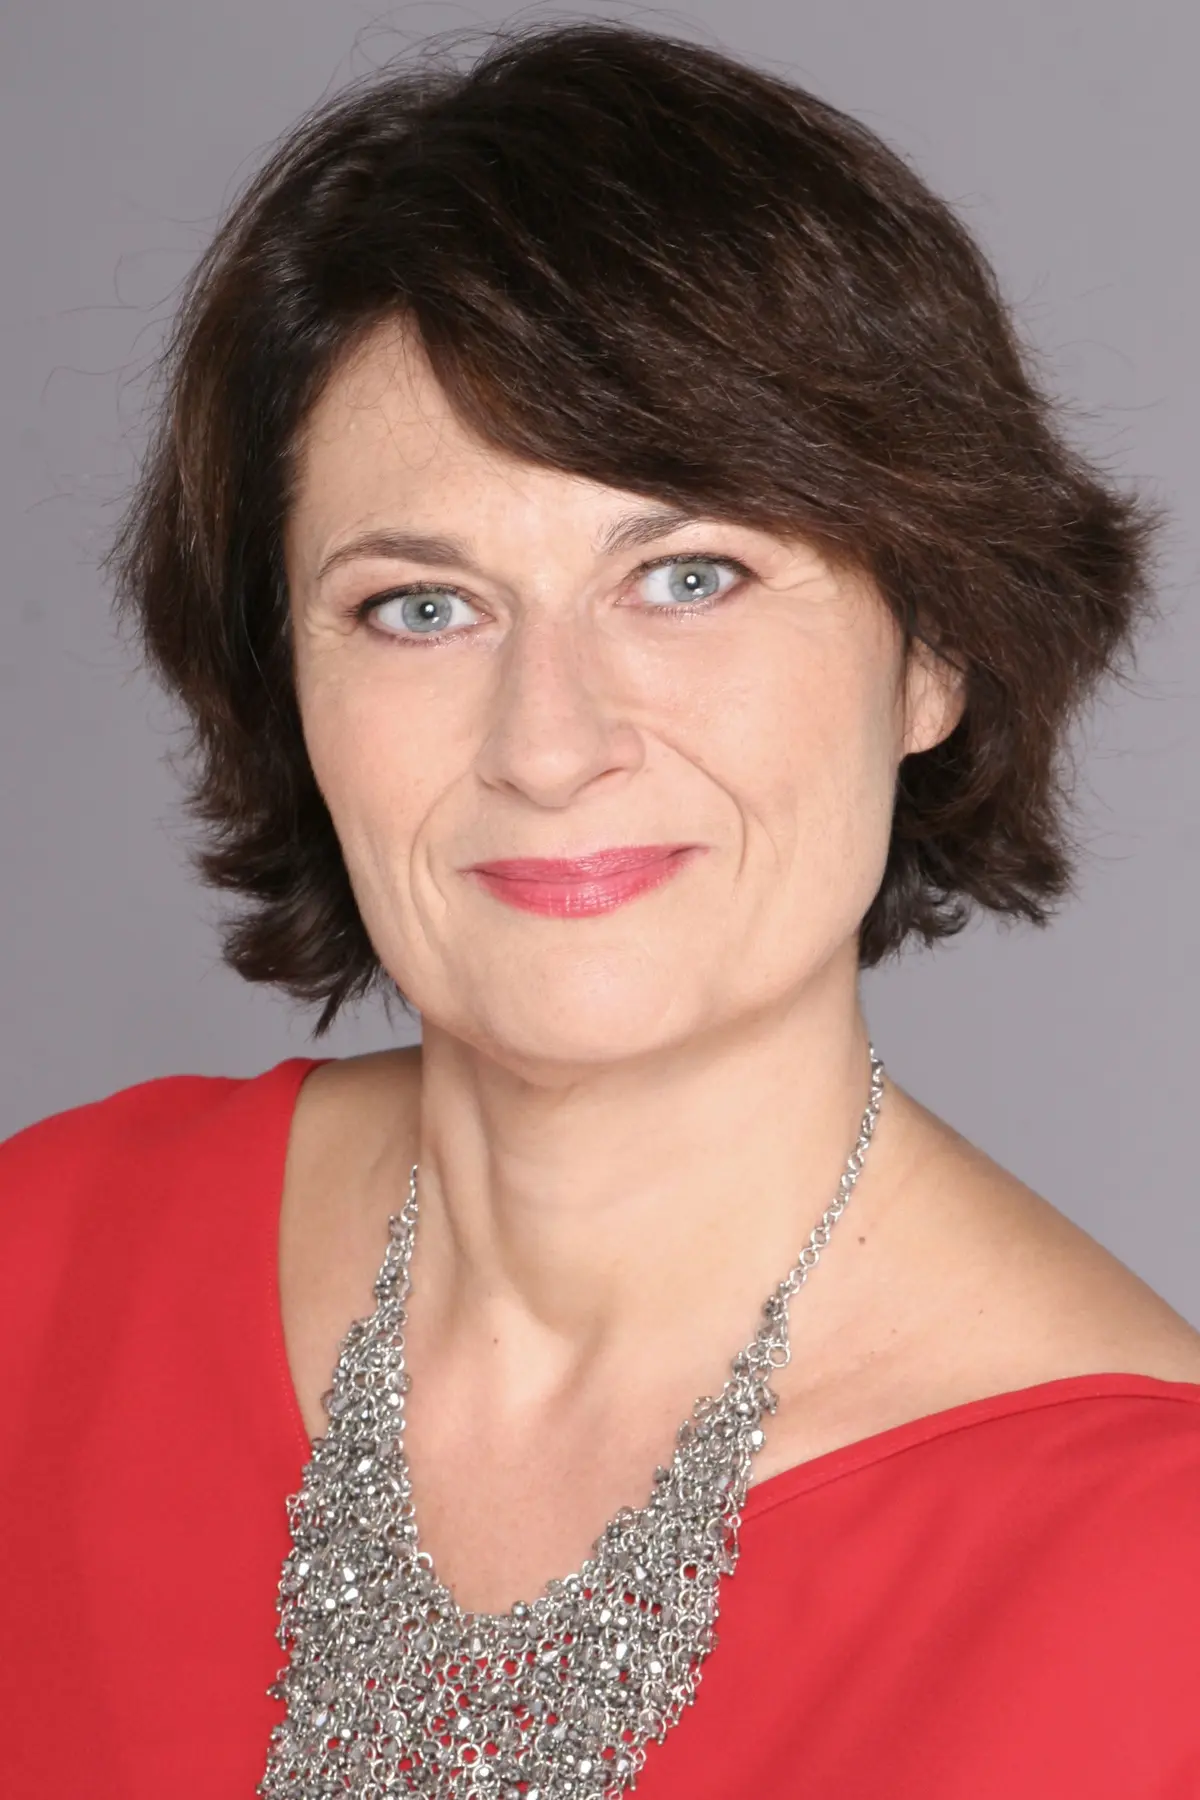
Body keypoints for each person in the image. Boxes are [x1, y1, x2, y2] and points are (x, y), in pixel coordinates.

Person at [2, 20, 1198, 1800]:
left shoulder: (1153, 1584)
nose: (549, 746)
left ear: (936, 646)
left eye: (689, 576)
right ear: (287, 683)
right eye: (421, 608)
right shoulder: (43, 1276)